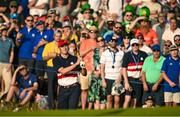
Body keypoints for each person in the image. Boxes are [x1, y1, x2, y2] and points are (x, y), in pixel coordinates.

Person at [53, 39, 86, 109]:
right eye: (62, 46)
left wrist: (82, 66)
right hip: (63, 89)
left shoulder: (74, 58)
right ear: (59, 48)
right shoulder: (56, 60)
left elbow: (84, 73)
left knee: (72, 111)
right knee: (62, 112)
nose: (65, 48)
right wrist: (76, 63)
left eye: (66, 46)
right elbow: (63, 71)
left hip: (74, 88)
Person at [122, 38, 148, 108]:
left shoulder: (144, 54)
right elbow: (124, 68)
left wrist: (142, 76)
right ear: (131, 46)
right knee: (128, 99)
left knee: (136, 101)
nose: (135, 46)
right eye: (133, 45)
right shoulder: (127, 55)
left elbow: (146, 67)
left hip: (139, 80)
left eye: (136, 44)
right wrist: (126, 82)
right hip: (130, 79)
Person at [100, 35, 124, 109]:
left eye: (115, 41)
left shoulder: (121, 53)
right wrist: (103, 80)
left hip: (117, 78)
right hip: (108, 78)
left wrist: (120, 77)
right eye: (111, 41)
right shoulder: (104, 53)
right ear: (108, 42)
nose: (113, 42)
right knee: (109, 98)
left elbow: (123, 67)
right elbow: (102, 68)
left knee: (117, 99)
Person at [42, 30, 61, 109]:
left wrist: (57, 55)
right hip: (51, 67)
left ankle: (59, 104)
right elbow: (44, 57)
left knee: (60, 85)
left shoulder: (63, 45)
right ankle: (51, 105)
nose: (58, 37)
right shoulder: (48, 45)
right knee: (51, 86)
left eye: (59, 36)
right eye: (56, 36)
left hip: (60, 67)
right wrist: (51, 56)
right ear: (54, 36)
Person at [0, 27, 14, 98]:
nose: (4, 32)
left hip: (6, 64)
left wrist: (10, 63)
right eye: (3, 31)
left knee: (9, 82)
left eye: (6, 30)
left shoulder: (10, 40)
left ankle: (4, 97)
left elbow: (12, 52)